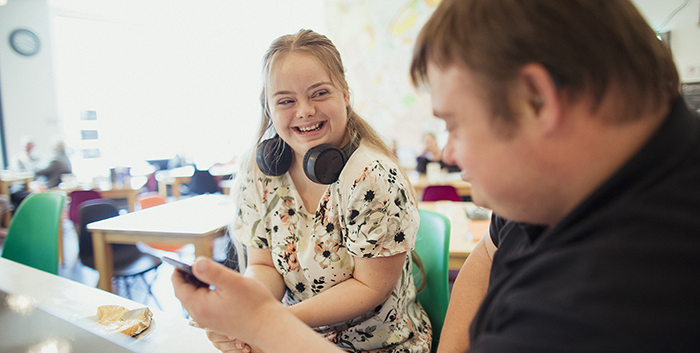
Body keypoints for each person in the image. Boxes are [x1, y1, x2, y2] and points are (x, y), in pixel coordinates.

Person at [173, 1, 700, 352]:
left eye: (454, 124)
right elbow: (492, 248)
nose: (446, 152)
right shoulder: (573, 188)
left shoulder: (607, 305)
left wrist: (264, 323)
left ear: (537, 100)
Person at [194, 29, 431, 353]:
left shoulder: (372, 175)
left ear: (345, 94)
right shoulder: (258, 172)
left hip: (381, 346)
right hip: (293, 338)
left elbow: (369, 286)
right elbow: (262, 266)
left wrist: (270, 322)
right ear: (269, 108)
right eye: (286, 101)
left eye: (319, 93)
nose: (304, 110)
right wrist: (247, 318)